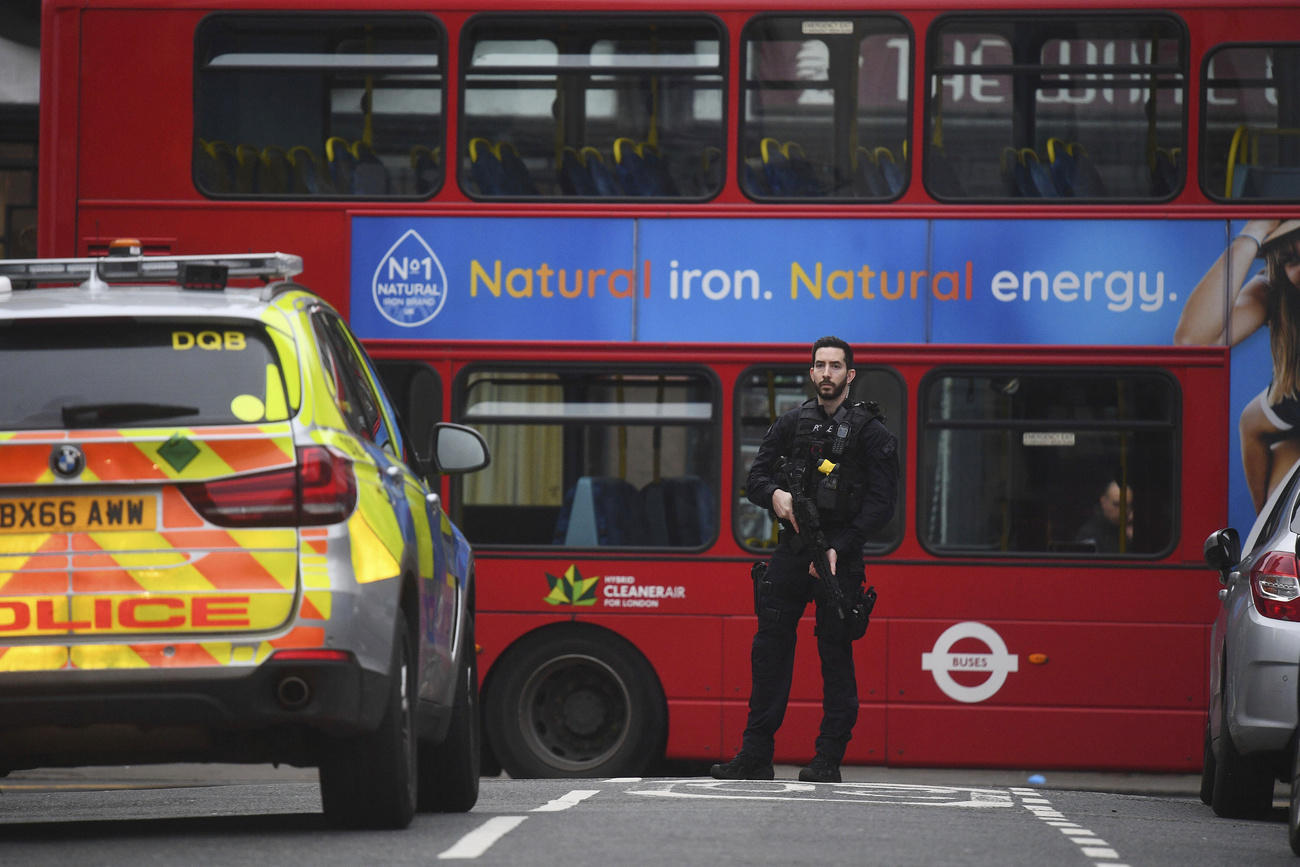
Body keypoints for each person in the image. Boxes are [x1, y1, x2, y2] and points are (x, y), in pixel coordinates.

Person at [710, 336, 898, 784]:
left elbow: (882, 503)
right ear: (811, 373)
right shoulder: (792, 424)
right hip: (793, 550)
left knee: (835, 656)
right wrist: (775, 496)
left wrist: (840, 547)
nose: (827, 373)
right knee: (769, 652)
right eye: (820, 365)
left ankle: (828, 758)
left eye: (836, 366)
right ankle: (755, 755)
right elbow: (755, 477)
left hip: (841, 557)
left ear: (849, 376)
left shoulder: (871, 432)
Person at [1175, 219, 1300, 512]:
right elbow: (1193, 341)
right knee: (1276, 514)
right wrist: (1251, 235)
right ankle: (1262, 529)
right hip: (1292, 411)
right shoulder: (1275, 292)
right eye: (1292, 260)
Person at [1074, 477, 1134, 554]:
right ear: (1103, 502)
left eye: (1126, 506)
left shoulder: (1129, 530)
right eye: (1117, 505)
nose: (1123, 511)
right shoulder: (1089, 534)